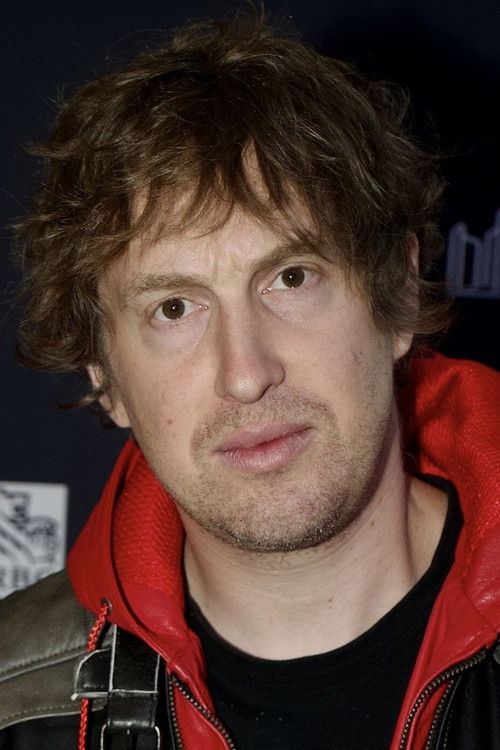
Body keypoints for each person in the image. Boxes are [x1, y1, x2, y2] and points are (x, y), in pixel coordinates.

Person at [1, 10, 499, 750]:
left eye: (290, 278)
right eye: (174, 308)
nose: (246, 374)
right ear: (104, 374)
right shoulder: (14, 703)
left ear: (396, 294)